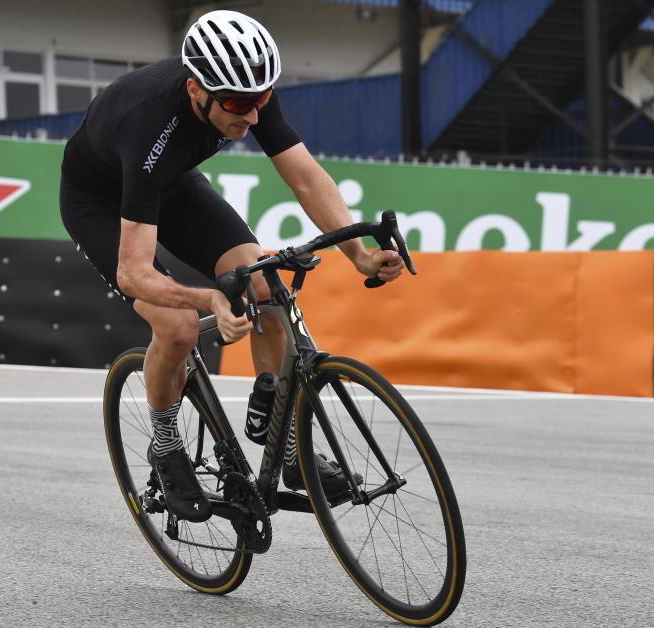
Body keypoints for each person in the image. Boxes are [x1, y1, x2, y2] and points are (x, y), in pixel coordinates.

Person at [59, 10, 404, 522]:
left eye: (263, 99)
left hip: (172, 186)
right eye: (240, 105)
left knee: (264, 282)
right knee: (176, 328)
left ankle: (288, 450)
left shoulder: (246, 90)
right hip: (103, 202)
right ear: (198, 90)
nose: (254, 115)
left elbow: (307, 178)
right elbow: (135, 274)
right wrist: (208, 298)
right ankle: (166, 444)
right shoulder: (148, 124)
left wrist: (357, 255)